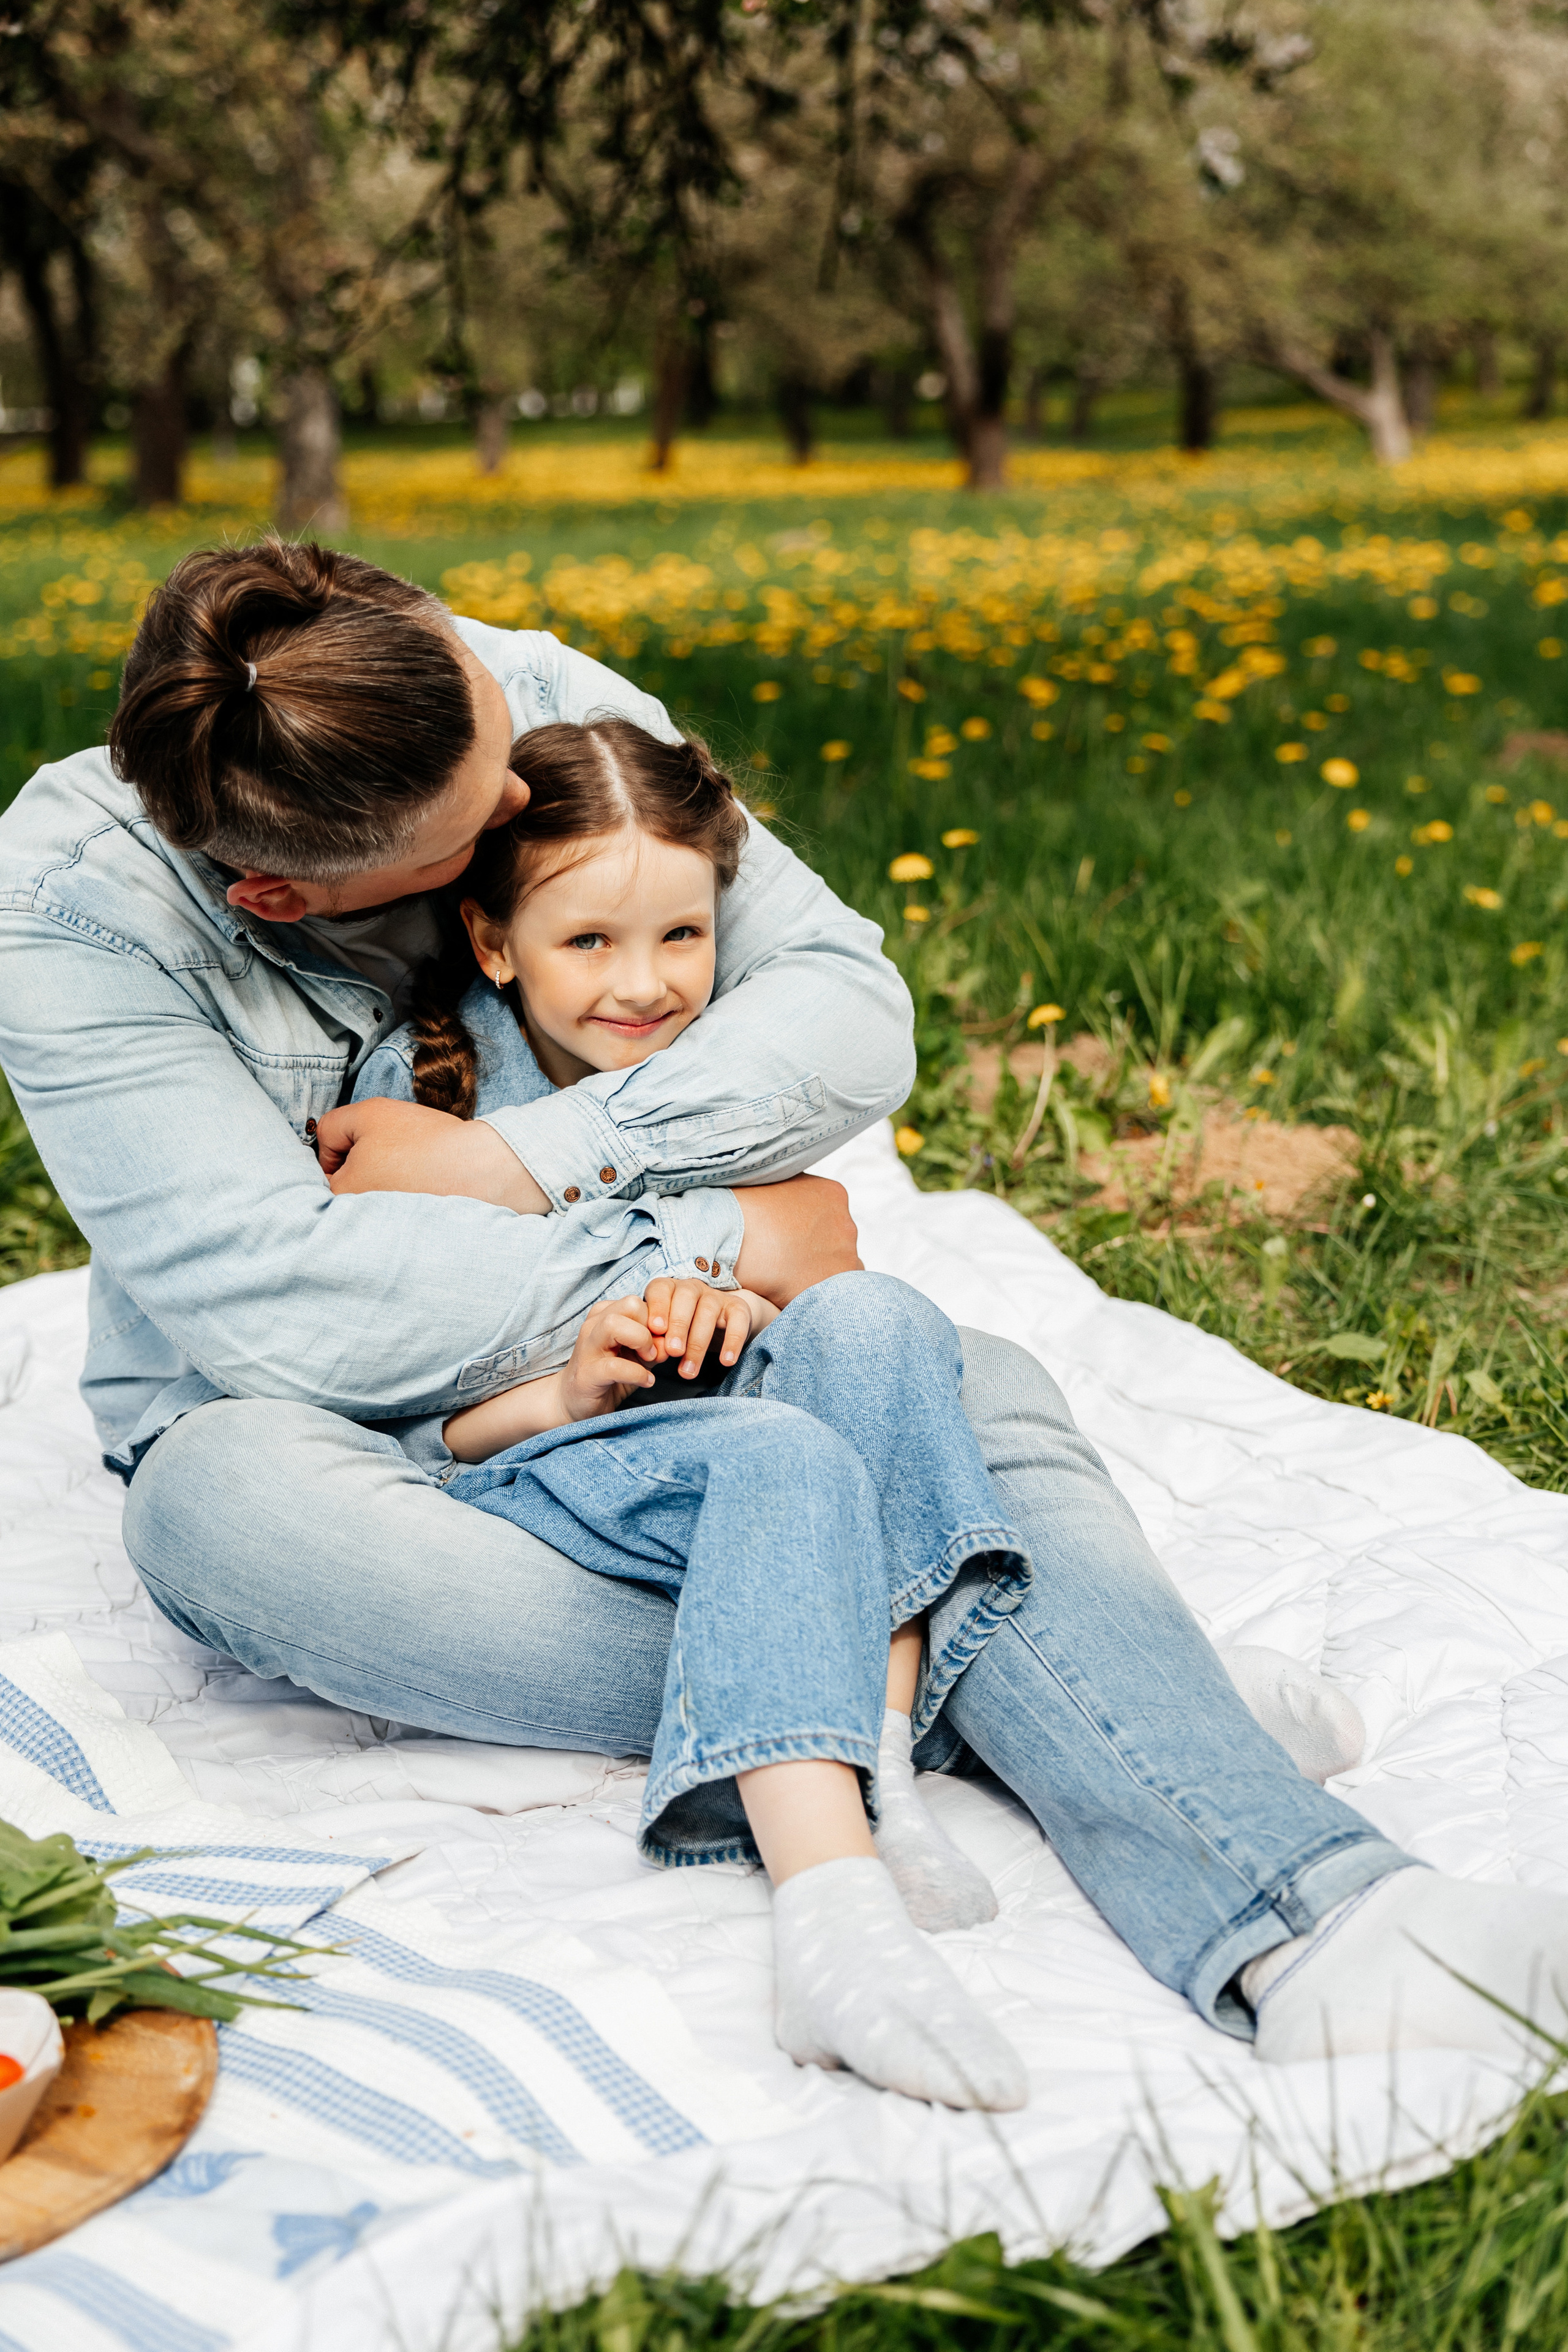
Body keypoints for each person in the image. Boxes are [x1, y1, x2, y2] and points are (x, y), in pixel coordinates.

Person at [2, 538, 1566, 2098]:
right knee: (223, 1515)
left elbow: (838, 1006)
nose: (516, 802)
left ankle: (1329, 1926)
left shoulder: (518, 694)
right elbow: (286, 1311)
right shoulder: (74, 917)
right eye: (470, 826)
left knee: (942, 1360)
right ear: (284, 894)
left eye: (497, 732)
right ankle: (1059, 1689)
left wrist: (520, 1161)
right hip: (365, 1441)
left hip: (697, 1345)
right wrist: (723, 1233)